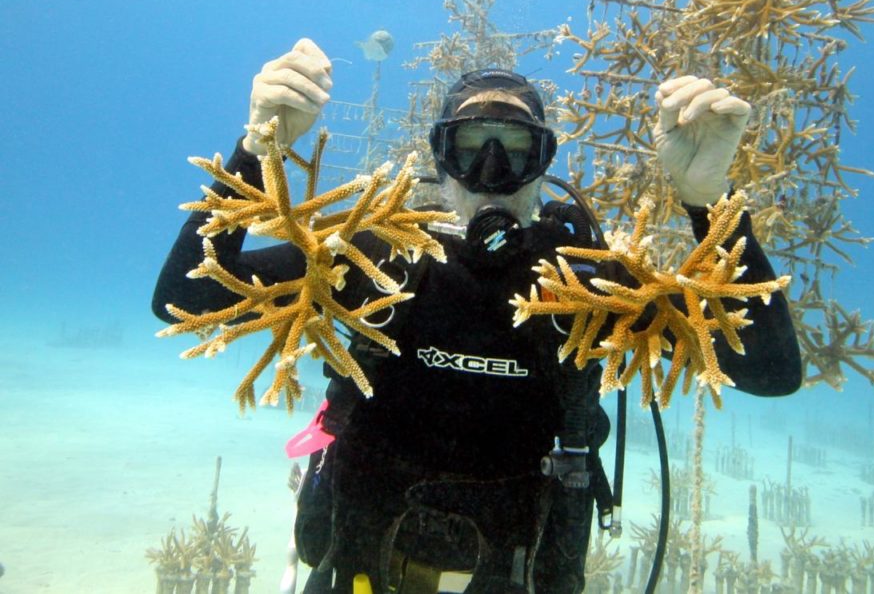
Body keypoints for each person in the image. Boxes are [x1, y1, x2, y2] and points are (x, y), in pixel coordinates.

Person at [152, 38, 802, 594]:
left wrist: (707, 201)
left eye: (516, 146)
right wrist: (255, 147)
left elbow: (770, 372)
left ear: (544, 161)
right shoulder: (378, 259)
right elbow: (188, 295)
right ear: (442, 159)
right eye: (471, 146)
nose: (492, 172)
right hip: (360, 570)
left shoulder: (586, 286)